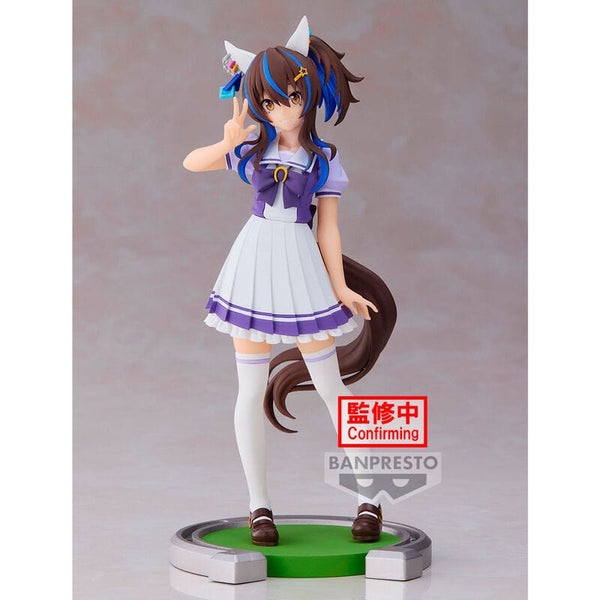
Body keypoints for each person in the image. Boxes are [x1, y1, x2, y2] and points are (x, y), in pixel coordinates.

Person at [183, 17, 396, 546]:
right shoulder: (251, 149)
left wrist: (339, 287)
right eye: (270, 101)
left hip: (301, 269)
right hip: (254, 265)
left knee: (330, 386)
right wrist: (226, 141)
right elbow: (190, 163)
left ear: (310, 93)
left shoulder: (323, 160)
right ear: (258, 103)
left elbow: (328, 229)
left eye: (292, 97)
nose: (283, 109)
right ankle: (259, 506)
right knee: (249, 390)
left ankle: (369, 497)